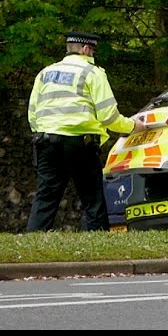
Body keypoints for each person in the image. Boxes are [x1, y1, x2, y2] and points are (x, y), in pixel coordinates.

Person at [26, 31, 137, 231]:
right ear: (86, 49)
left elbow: (33, 114)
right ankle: (98, 239)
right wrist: (132, 127)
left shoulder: (45, 73)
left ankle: (33, 237)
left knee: (45, 195)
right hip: (80, 143)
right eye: (92, 51)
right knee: (92, 197)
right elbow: (108, 116)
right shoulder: (91, 72)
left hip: (45, 141)